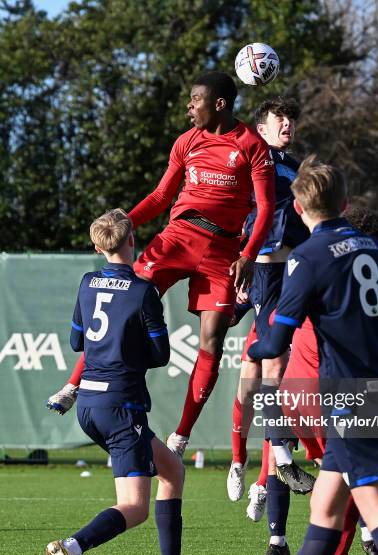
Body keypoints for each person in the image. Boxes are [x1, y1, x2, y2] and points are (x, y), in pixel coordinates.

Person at [47, 72, 276, 458]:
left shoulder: (252, 145)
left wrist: (248, 255)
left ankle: (181, 435)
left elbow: (266, 207)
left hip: (223, 250)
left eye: (195, 99)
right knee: (121, 299)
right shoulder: (187, 142)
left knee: (212, 341)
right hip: (178, 236)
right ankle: (73, 385)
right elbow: (159, 197)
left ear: (218, 103)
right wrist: (121, 225)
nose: (189, 106)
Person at [244, 156, 378, 555]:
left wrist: (252, 349)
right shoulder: (375, 248)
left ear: (298, 206)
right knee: (325, 505)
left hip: (349, 395)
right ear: (345, 203)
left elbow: (274, 341)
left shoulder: (306, 257)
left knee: (377, 501)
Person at [45, 209, 206, 555]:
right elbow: (160, 354)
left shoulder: (87, 283)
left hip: (89, 404)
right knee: (135, 508)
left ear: (98, 246)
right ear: (133, 240)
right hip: (121, 405)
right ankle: (73, 546)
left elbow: (76, 343)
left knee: (172, 470)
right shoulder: (142, 291)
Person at [225, 98, 314, 536]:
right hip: (262, 268)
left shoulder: (295, 166)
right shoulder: (247, 156)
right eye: (281, 119)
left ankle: (275, 468)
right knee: (256, 377)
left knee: (277, 369)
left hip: (294, 269)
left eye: (292, 119)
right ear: (260, 127)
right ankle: (260, 461)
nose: (289, 124)